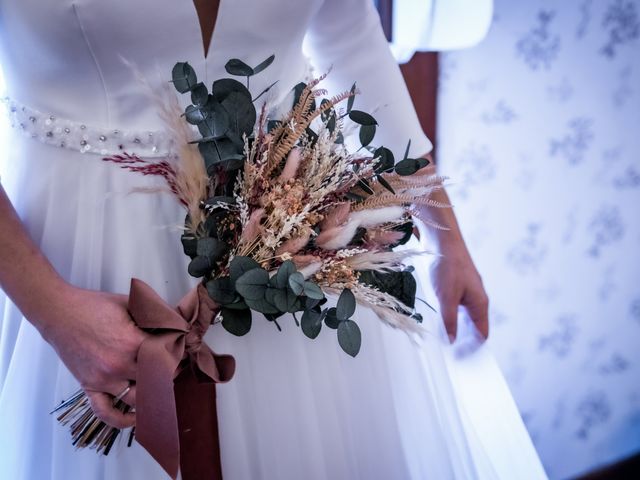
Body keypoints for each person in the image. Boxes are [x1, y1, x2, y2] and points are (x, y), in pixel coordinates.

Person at [0, 0, 548, 478]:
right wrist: (52, 311)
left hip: (295, 247)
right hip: (77, 255)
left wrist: (446, 235)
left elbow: (353, 36)